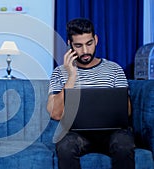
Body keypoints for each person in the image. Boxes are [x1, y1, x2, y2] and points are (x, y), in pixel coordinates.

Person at [46, 18, 135, 169]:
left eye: (89, 43)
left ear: (96, 40)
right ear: (70, 45)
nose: (85, 51)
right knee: (65, 146)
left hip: (112, 133)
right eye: (78, 46)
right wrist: (72, 76)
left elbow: (126, 112)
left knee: (124, 144)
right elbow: (55, 114)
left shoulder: (114, 69)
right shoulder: (59, 73)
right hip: (76, 135)